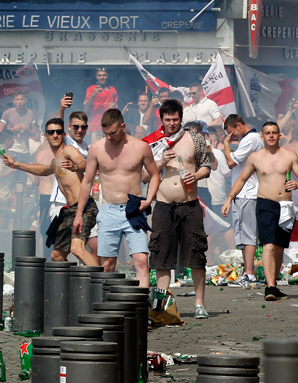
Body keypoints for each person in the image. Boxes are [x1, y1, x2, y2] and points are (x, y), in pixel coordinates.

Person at [74, 109, 160, 287]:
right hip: (109, 210)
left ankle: (142, 308)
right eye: (106, 134)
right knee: (107, 265)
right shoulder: (97, 148)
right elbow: (87, 182)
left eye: (112, 133)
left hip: (134, 210)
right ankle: (107, 306)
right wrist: (79, 214)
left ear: (123, 127)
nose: (109, 137)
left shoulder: (140, 147)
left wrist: (149, 199)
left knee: (142, 261)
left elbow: (154, 175)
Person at [143, 99, 211, 318]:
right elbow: (144, 176)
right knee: (162, 256)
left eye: (175, 119)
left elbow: (207, 166)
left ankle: (199, 304)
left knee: (196, 254)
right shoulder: (153, 143)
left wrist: (196, 174)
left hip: (189, 203)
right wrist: (161, 162)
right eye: (167, 119)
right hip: (163, 204)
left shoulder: (194, 138)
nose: (171, 123)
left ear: (181, 119)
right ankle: (163, 305)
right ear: (161, 119)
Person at [4, 118, 98, 266]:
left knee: (77, 249)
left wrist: (76, 167)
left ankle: (102, 284)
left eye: (58, 132)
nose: (55, 135)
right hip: (69, 211)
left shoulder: (68, 150)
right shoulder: (56, 161)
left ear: (64, 134)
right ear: (45, 136)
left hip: (84, 207)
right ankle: (74, 286)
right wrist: (16, 164)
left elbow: (83, 163)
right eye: (51, 132)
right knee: (57, 256)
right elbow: (43, 170)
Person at [221, 122, 298, 301]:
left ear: (280, 135)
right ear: (262, 137)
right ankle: (270, 287)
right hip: (265, 204)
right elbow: (241, 180)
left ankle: (275, 285)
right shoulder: (255, 157)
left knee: (279, 248)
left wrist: (296, 184)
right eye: (268, 133)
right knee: (268, 245)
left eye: (274, 133)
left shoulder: (290, 156)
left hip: (285, 206)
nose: (271, 136)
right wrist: (229, 199)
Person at [54, 95, 99, 258]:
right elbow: (56, 127)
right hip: (62, 203)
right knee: (61, 253)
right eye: (76, 127)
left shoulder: (88, 148)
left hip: (84, 204)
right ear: (69, 127)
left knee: (95, 247)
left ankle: (91, 280)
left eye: (83, 127)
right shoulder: (64, 142)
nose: (79, 130)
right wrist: (62, 109)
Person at [222, 114, 264, 288]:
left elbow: (231, 162)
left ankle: (249, 274)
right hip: (243, 193)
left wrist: (225, 144)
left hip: (248, 193)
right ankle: (248, 272)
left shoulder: (251, 139)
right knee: (243, 235)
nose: (233, 138)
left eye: (233, 133)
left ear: (238, 125)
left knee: (248, 235)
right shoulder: (247, 141)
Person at [0, 92, 38, 163]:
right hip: (11, 149)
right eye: (17, 99)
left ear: (25, 100)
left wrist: (27, 129)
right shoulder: (7, 113)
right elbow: (0, 132)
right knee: (11, 172)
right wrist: (13, 130)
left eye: (21, 99)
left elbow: (34, 133)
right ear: (14, 101)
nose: (19, 102)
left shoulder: (30, 113)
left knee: (26, 173)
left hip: (25, 150)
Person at [84, 67, 118, 133]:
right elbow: (86, 109)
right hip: (95, 128)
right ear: (96, 77)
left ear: (107, 76)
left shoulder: (112, 89)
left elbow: (116, 112)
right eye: (99, 75)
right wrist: (93, 94)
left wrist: (114, 107)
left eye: (104, 75)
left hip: (109, 127)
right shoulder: (91, 89)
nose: (102, 77)